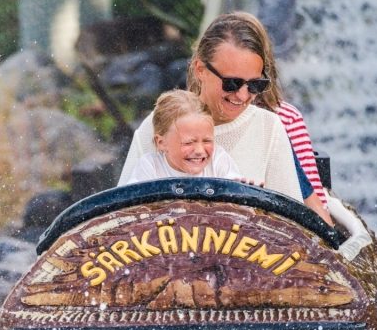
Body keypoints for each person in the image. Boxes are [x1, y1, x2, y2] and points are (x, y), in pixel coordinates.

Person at [119, 12, 304, 202]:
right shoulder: (158, 125)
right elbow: (120, 215)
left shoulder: (269, 128)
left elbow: (292, 223)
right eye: (232, 83)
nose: (242, 95)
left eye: (255, 85)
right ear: (200, 69)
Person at [125, 90, 243, 184]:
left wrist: (247, 191)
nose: (199, 151)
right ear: (161, 142)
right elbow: (131, 203)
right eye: (188, 143)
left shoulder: (217, 159)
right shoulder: (150, 166)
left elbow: (235, 189)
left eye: (207, 141)